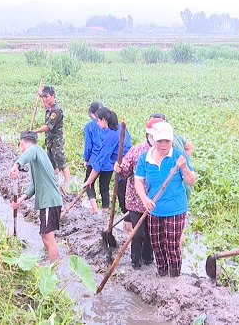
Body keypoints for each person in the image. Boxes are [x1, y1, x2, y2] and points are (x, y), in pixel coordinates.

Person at [134, 120, 196, 277]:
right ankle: (161, 275)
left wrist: (184, 168)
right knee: (157, 244)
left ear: (171, 140)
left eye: (167, 141)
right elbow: (138, 181)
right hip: (154, 209)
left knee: (172, 245)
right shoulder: (145, 158)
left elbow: (191, 181)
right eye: (160, 140)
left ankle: (174, 278)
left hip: (176, 209)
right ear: (153, 139)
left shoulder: (179, 156)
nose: (163, 144)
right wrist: (144, 199)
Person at [10, 130, 63, 262]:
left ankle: (53, 272)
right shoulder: (37, 159)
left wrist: (16, 165)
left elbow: (30, 150)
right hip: (49, 202)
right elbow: (34, 185)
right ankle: (51, 265)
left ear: (21, 143)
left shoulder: (35, 149)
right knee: (45, 237)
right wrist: (20, 200)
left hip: (49, 202)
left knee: (48, 238)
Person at [117, 118, 163, 269]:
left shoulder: (165, 153)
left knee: (151, 234)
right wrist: (119, 169)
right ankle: (135, 262)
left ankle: (148, 260)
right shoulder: (137, 151)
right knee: (138, 234)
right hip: (136, 200)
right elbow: (125, 172)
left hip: (156, 201)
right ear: (149, 135)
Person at [82, 107, 131, 215]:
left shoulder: (111, 136)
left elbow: (101, 161)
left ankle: (128, 230)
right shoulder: (121, 128)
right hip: (131, 169)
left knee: (125, 205)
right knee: (128, 205)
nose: (98, 124)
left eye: (98, 121)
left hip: (124, 171)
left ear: (103, 120)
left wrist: (90, 180)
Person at [32, 85, 71, 193]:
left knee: (61, 162)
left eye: (47, 97)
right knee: (52, 163)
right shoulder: (49, 107)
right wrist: (41, 96)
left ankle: (67, 185)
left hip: (56, 141)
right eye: (43, 97)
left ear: (53, 96)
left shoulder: (56, 110)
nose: (45, 99)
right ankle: (56, 182)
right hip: (49, 141)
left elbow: (48, 126)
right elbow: (44, 103)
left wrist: (34, 131)